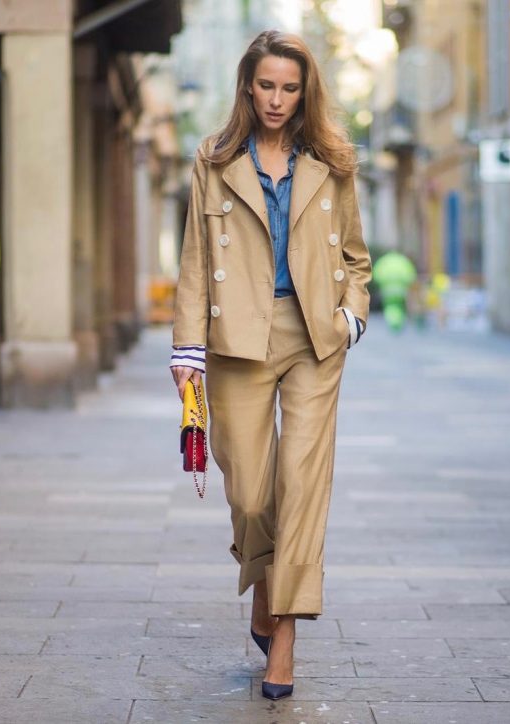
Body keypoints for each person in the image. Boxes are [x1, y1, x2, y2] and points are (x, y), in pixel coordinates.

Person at [168, 30, 371, 701]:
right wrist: (186, 348)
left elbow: (356, 260)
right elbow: (196, 258)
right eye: (266, 86)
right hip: (236, 339)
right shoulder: (214, 158)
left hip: (315, 338)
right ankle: (263, 583)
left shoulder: (334, 161)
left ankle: (284, 634)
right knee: (251, 491)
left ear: (304, 91)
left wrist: (352, 316)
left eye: (290, 87)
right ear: (247, 87)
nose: (277, 100)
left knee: (303, 483)